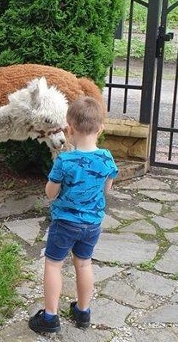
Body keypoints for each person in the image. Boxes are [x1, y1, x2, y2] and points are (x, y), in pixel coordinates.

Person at [28, 96, 119, 334]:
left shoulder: (65, 160)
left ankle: (50, 317)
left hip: (65, 223)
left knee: (53, 265)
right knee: (84, 263)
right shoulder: (107, 158)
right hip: (92, 224)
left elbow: (50, 193)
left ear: (69, 129)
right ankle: (82, 312)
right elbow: (107, 190)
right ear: (100, 128)